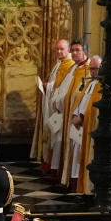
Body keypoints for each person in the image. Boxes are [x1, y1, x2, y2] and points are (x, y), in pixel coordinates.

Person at [31, 39, 74, 169]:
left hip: (59, 108)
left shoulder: (70, 66)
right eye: (57, 49)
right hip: (51, 105)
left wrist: (47, 86)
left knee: (57, 139)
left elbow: (63, 88)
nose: (59, 52)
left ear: (68, 50)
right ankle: (49, 163)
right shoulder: (59, 64)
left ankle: (55, 167)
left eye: (62, 49)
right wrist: (47, 86)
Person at [49, 41, 89, 178]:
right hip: (66, 114)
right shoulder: (74, 68)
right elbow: (63, 89)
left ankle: (73, 180)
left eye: (78, 50)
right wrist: (56, 101)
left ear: (85, 52)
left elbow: (84, 95)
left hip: (78, 117)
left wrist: (79, 113)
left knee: (76, 149)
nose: (75, 53)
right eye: (73, 50)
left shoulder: (88, 71)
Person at [63, 54, 102, 192]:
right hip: (78, 127)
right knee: (75, 156)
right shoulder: (90, 83)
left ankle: (82, 187)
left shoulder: (102, 87)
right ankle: (74, 184)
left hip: (87, 126)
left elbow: (94, 107)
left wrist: (81, 116)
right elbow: (80, 101)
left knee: (82, 157)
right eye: (91, 69)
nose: (93, 72)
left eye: (96, 69)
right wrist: (74, 115)